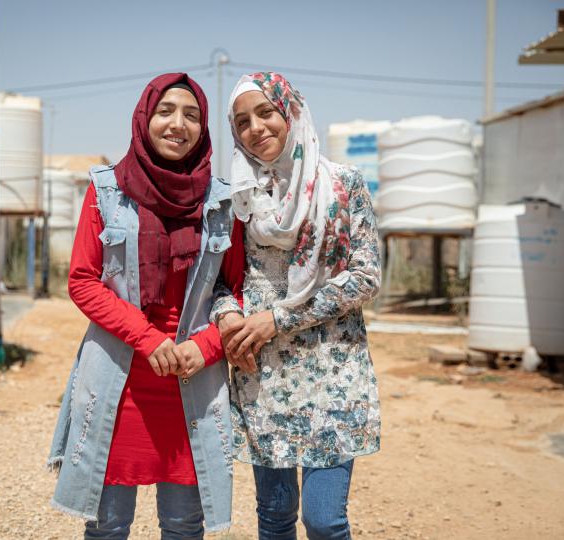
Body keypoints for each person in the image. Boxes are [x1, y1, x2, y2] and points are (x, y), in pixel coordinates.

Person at [47, 73, 244, 539]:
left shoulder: (222, 203)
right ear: (144, 118)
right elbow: (82, 280)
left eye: (192, 115)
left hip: (192, 379)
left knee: (183, 524)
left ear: (204, 127)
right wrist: (147, 338)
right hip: (121, 379)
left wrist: (209, 347)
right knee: (109, 524)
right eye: (166, 112)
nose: (178, 124)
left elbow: (237, 289)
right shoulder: (106, 191)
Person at [210, 72, 382, 539]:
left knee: (324, 521)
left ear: (291, 111)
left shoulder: (342, 185)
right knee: (275, 516)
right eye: (242, 121)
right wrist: (228, 317)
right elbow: (220, 282)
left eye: (266, 112)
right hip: (263, 374)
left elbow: (365, 278)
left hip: (333, 371)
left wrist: (278, 319)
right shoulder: (236, 198)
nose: (256, 128)